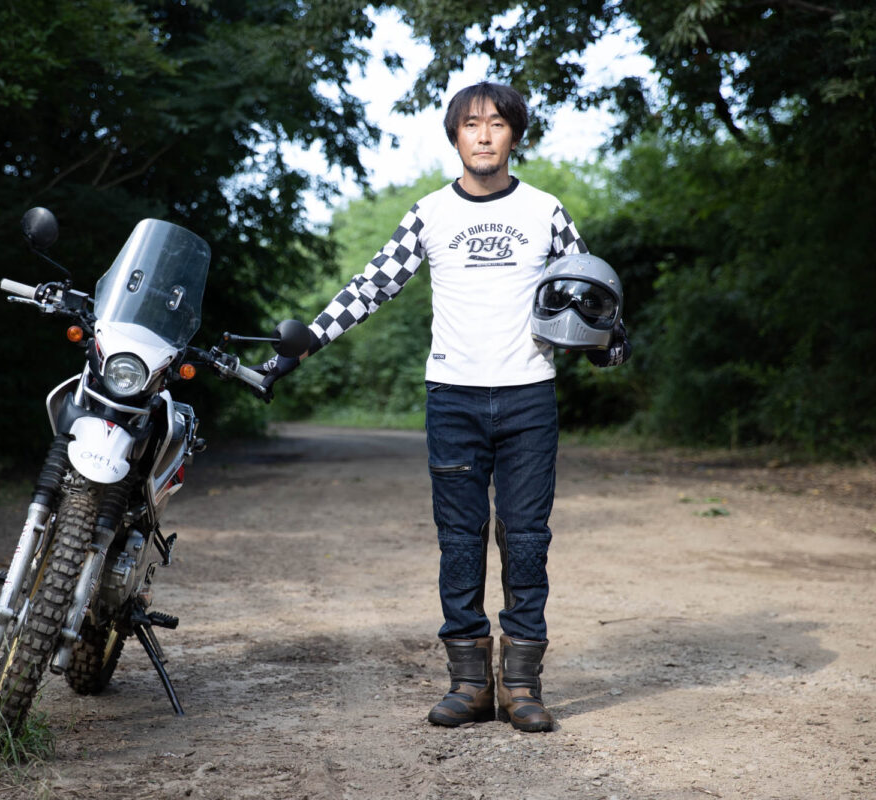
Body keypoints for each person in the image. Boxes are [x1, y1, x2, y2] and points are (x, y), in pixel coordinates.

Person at [257, 81, 631, 732]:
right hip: (453, 397)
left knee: (526, 539)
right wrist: (305, 343)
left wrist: (609, 343)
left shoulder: (545, 210)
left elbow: (587, 290)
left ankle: (522, 687)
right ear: (455, 136)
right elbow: (371, 285)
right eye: (471, 124)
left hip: (528, 396)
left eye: (497, 124)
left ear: (514, 135)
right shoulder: (430, 213)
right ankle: (469, 684)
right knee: (460, 541)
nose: (484, 135)